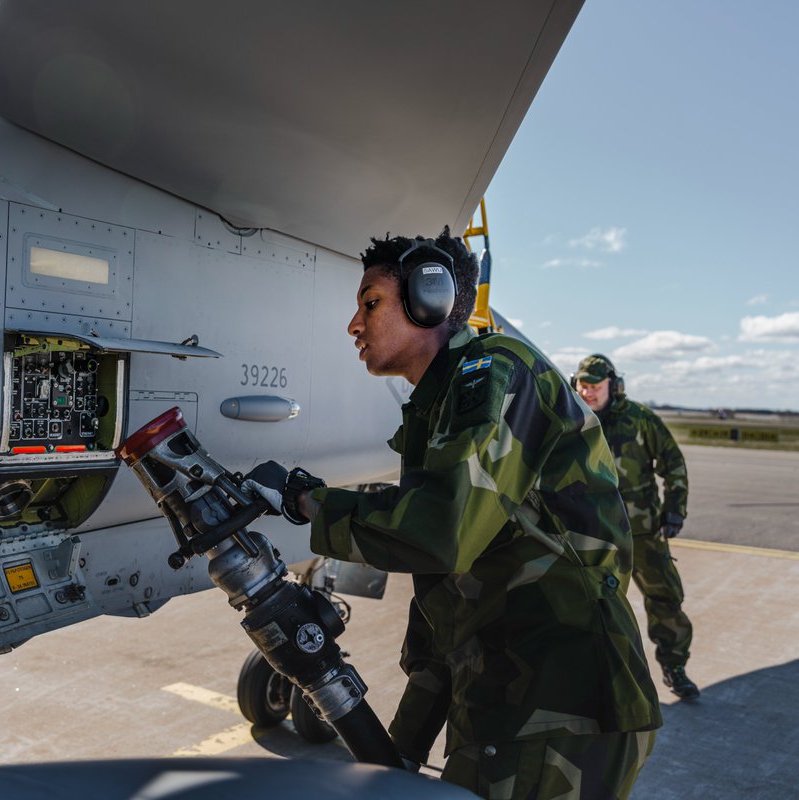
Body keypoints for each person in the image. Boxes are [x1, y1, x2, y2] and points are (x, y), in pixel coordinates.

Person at [245, 228, 661, 798]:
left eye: (371, 303)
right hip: (508, 708)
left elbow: (442, 532)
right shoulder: (435, 409)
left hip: (561, 709)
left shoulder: (493, 371)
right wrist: (401, 750)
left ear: (430, 299)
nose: (354, 325)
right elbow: (446, 614)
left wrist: (305, 502)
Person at [572, 354, 699, 700]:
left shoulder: (640, 419)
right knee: (590, 605)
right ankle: (596, 678)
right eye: (582, 385)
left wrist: (675, 510)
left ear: (613, 386)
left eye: (595, 386)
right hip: (592, 534)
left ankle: (675, 667)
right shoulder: (571, 419)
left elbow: (673, 462)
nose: (587, 392)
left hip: (641, 533)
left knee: (665, 597)